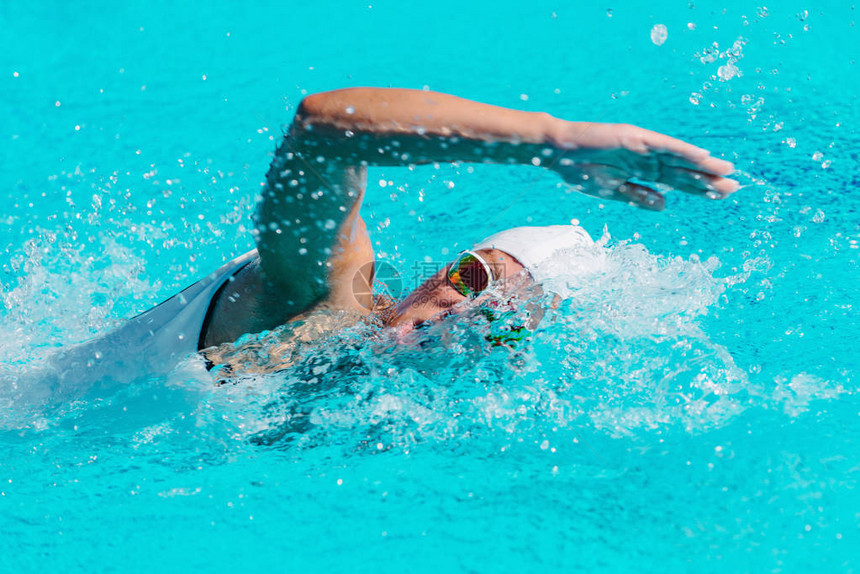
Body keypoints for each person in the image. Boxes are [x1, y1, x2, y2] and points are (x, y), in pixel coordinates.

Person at [52, 87, 738, 384]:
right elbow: (323, 128)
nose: (453, 319)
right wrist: (549, 141)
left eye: (494, 327)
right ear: (443, 270)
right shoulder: (321, 298)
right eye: (469, 281)